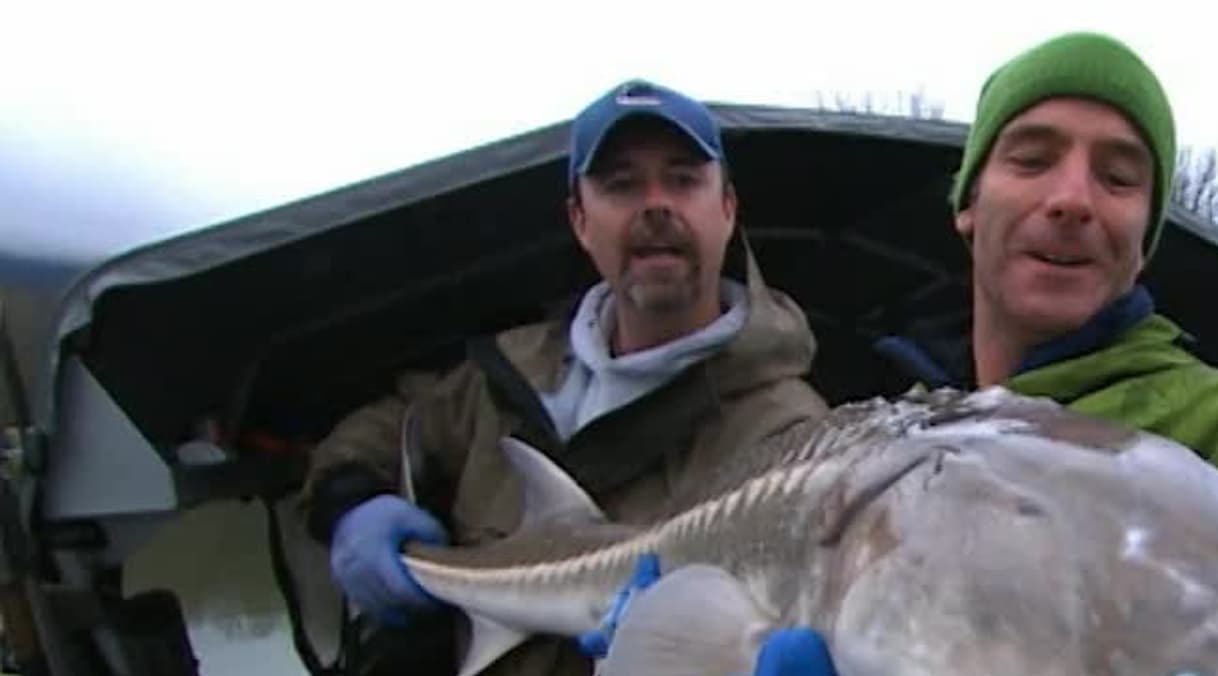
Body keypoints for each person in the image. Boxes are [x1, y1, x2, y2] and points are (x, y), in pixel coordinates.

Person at [297, 79, 836, 676]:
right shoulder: (507, 375)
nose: (656, 205)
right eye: (622, 185)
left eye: (683, 179)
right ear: (580, 219)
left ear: (728, 208)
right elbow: (389, 426)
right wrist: (351, 504)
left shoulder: (794, 438)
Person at [874, 31, 1218, 548]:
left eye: (1119, 177)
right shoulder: (895, 438)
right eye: (1032, 160)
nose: (1073, 200)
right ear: (969, 204)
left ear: (1143, 242)